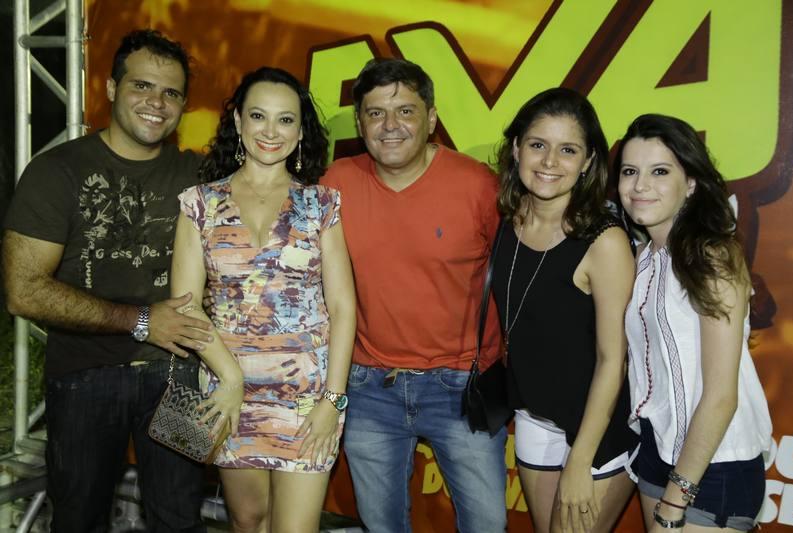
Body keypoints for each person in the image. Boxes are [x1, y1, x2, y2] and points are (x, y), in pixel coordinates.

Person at [2, 29, 211, 531]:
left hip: (180, 376)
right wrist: (141, 320)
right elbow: (23, 291)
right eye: (142, 86)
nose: (157, 103)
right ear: (112, 88)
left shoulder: (199, 174)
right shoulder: (58, 171)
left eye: (171, 92)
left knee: (182, 517)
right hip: (84, 377)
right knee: (79, 518)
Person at [321, 58, 507, 533]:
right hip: (369, 386)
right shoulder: (336, 183)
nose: (390, 125)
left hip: (461, 385)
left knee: (487, 524)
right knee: (380, 525)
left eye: (405, 110)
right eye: (376, 113)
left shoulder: (478, 185)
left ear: (431, 117)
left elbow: (515, 278)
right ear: (359, 122)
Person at [171, 66, 356, 533]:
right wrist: (231, 377)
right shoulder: (199, 203)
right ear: (238, 121)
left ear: (300, 131)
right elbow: (185, 306)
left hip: (307, 398)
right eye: (258, 116)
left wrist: (333, 400)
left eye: (285, 120)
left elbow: (342, 307)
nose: (271, 131)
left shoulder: (321, 204)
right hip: (226, 390)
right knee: (248, 519)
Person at [492, 88, 638, 533]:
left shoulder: (604, 241)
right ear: (516, 148)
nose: (550, 161)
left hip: (597, 428)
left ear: (588, 160)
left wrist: (580, 458)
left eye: (568, 150)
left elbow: (613, 360)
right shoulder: (508, 218)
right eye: (538, 144)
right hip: (535, 416)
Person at [617, 114, 772, 531]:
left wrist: (674, 500)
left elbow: (721, 396)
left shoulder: (712, 257)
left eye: (659, 171)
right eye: (630, 171)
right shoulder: (645, 256)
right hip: (657, 451)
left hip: (713, 464)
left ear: (690, 183)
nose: (640, 185)